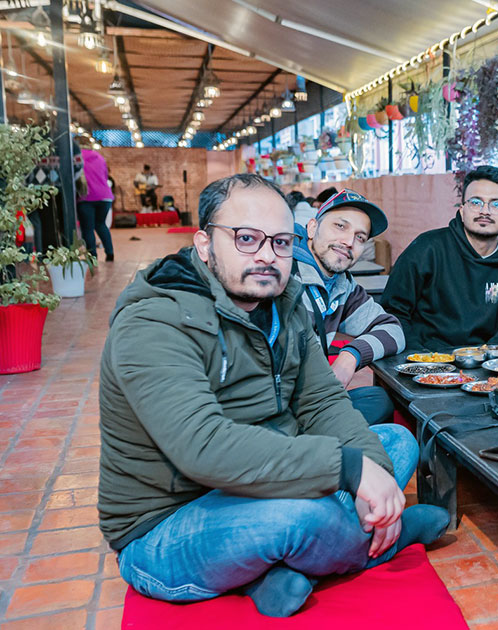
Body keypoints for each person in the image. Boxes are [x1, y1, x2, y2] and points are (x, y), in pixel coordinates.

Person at [99, 173, 449, 618]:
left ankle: (275, 568)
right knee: (302, 517)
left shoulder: (285, 305)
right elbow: (202, 446)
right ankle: (382, 541)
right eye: (247, 238)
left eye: (281, 243)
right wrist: (349, 470)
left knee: (395, 445)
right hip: (170, 522)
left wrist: (370, 469)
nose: (267, 256)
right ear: (204, 244)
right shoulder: (154, 321)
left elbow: (321, 402)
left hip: (263, 481)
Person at [380, 165, 498, 350]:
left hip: (489, 363)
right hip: (427, 359)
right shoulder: (427, 249)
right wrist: (420, 357)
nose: (484, 211)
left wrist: (486, 361)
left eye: (496, 204)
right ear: (462, 211)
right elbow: (394, 311)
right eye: (476, 202)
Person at [294, 189, 405, 426]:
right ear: (312, 228)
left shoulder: (342, 286)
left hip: (315, 400)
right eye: (340, 226)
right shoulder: (284, 275)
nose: (348, 242)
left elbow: (392, 329)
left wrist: (349, 357)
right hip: (278, 407)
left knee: (378, 400)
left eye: (360, 237)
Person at [78, 147, 115, 261]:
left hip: (86, 196)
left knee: (87, 228)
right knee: (101, 224)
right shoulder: (99, 157)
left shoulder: (77, 157)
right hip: (105, 196)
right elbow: (105, 175)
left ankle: (92, 257)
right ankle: (110, 253)